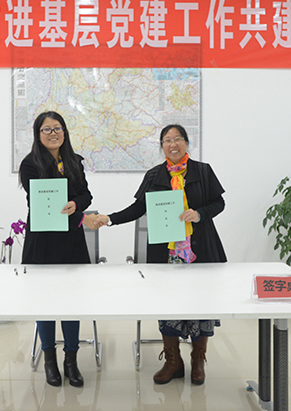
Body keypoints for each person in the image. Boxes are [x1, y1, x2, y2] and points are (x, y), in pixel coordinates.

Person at [90, 124, 226, 385]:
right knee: (167, 304)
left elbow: (219, 203)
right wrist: (109, 219)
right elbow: (137, 208)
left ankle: (198, 360)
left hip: (200, 250)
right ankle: (173, 361)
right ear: (162, 146)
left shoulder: (203, 171)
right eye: (167, 140)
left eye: (178, 139)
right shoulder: (154, 175)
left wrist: (199, 214)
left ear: (187, 143)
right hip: (166, 253)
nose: (173, 144)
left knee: (201, 304)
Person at [19, 111, 93, 387]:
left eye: (58, 128)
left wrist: (76, 204)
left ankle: (71, 360)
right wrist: (74, 207)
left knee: (72, 302)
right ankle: (49, 360)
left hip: (72, 241)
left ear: (65, 132)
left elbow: (86, 194)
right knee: (45, 301)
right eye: (47, 129)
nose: (53, 133)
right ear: (38, 135)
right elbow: (41, 199)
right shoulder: (30, 164)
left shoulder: (75, 161)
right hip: (42, 241)